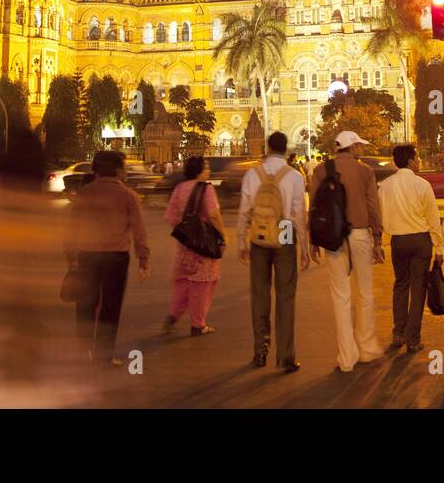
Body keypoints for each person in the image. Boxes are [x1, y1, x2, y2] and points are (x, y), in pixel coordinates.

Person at [64, 150, 150, 366]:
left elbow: (72, 229)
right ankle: (104, 355)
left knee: (84, 305)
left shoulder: (84, 194)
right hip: (116, 257)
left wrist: (71, 257)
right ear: (119, 171)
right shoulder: (128, 196)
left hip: (87, 256)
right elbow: (139, 229)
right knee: (110, 307)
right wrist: (143, 259)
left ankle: (83, 352)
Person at [310, 131, 384, 372]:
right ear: (351, 147)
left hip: (333, 237)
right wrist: (378, 238)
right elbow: (373, 205)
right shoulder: (365, 171)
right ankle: (367, 348)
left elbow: (314, 207)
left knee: (340, 295)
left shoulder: (321, 170)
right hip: (360, 233)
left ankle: (346, 357)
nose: (360, 150)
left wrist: (313, 240)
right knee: (364, 293)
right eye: (358, 146)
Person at [237, 130, 308, 372]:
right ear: (285, 149)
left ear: (267, 147)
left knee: (260, 294)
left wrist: (240, 241)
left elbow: (244, 210)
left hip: (259, 234)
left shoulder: (252, 174)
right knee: (286, 295)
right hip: (285, 231)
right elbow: (298, 214)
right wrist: (304, 246)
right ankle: (286, 355)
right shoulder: (295, 176)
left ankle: (260, 351)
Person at [379, 144, 443, 354]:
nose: (419, 162)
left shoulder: (385, 186)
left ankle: (398, 333)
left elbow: (380, 217)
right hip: (421, 241)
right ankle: (413, 339)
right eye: (416, 158)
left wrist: (378, 242)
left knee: (400, 285)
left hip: (398, 241)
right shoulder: (422, 185)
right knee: (418, 290)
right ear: (410, 161)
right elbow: (433, 219)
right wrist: (439, 247)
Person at [164, 156, 225, 336]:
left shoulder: (179, 188)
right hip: (202, 245)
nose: (208, 169)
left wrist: (185, 231)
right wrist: (223, 234)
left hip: (185, 245)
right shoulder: (206, 189)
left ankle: (174, 313)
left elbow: (170, 216)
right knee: (202, 284)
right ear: (199, 170)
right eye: (205, 166)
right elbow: (213, 214)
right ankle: (198, 324)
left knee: (182, 281)